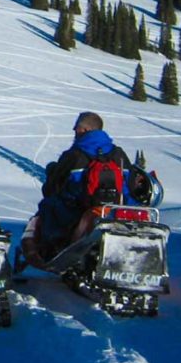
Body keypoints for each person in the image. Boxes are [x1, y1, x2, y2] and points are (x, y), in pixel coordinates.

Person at [26, 111, 131, 264]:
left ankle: (48, 253)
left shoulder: (74, 155)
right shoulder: (118, 153)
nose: (74, 131)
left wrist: (52, 177)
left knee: (47, 208)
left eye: (77, 127)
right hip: (114, 208)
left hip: (78, 209)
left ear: (85, 130)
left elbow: (53, 187)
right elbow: (130, 182)